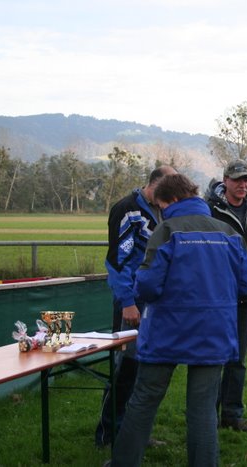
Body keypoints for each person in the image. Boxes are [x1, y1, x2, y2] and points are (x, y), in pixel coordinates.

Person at [107, 173, 247, 467]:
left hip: (166, 331)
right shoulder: (229, 233)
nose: (161, 212)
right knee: (203, 409)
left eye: (161, 206)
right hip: (214, 332)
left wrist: (136, 289)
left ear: (172, 200)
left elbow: (148, 286)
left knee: (144, 399)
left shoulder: (166, 231)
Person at [95, 165, 177, 448]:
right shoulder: (126, 209)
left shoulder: (165, 210)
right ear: (155, 184)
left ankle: (137, 432)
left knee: (146, 369)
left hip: (155, 300)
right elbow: (117, 261)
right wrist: (127, 302)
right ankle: (109, 433)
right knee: (125, 369)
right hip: (132, 301)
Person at [205, 159, 247, 432]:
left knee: (238, 359)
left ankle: (232, 414)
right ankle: (207, 415)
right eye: (238, 179)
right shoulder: (210, 211)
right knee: (214, 356)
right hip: (217, 296)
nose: (243, 184)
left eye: (246, 179)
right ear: (225, 180)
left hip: (246, 295)